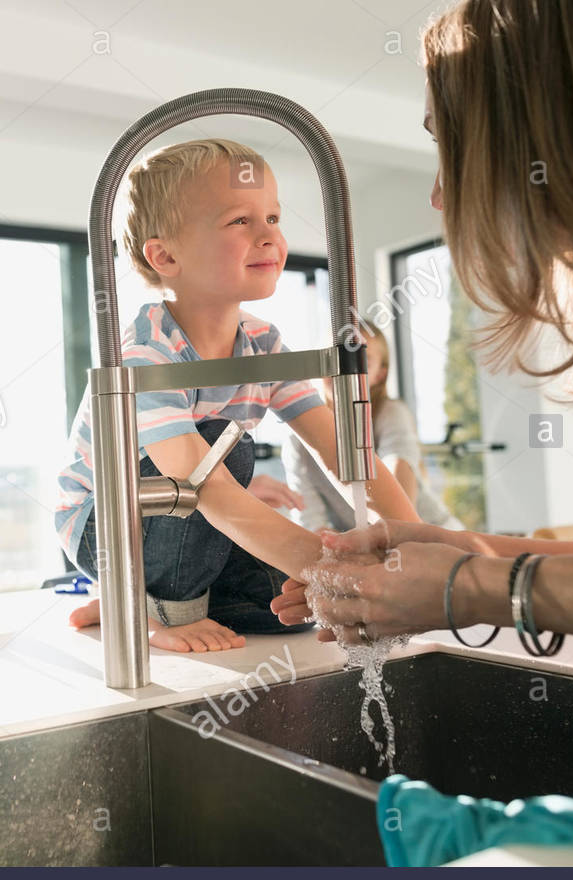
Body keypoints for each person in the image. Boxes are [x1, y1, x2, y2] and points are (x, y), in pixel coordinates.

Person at [277, 0, 573, 681]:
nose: (439, 192)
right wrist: (469, 551)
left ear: (547, 113)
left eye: (449, 142)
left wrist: (480, 585)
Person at [57, 138, 420, 653]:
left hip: (188, 528)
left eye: (273, 217)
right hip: (106, 530)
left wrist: (419, 544)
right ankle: (148, 608)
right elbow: (207, 488)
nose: (269, 235)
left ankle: (133, 600)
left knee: (289, 603)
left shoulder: (264, 344)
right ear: (165, 255)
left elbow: (341, 448)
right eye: (240, 221)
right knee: (225, 449)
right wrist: (336, 570)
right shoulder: (146, 356)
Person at [283, 325, 462, 533]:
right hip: (370, 549)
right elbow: (311, 520)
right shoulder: (297, 439)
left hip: (435, 532)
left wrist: (396, 534)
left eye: (362, 361)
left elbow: (399, 464)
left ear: (379, 375)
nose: (343, 370)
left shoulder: (389, 412)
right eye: (332, 358)